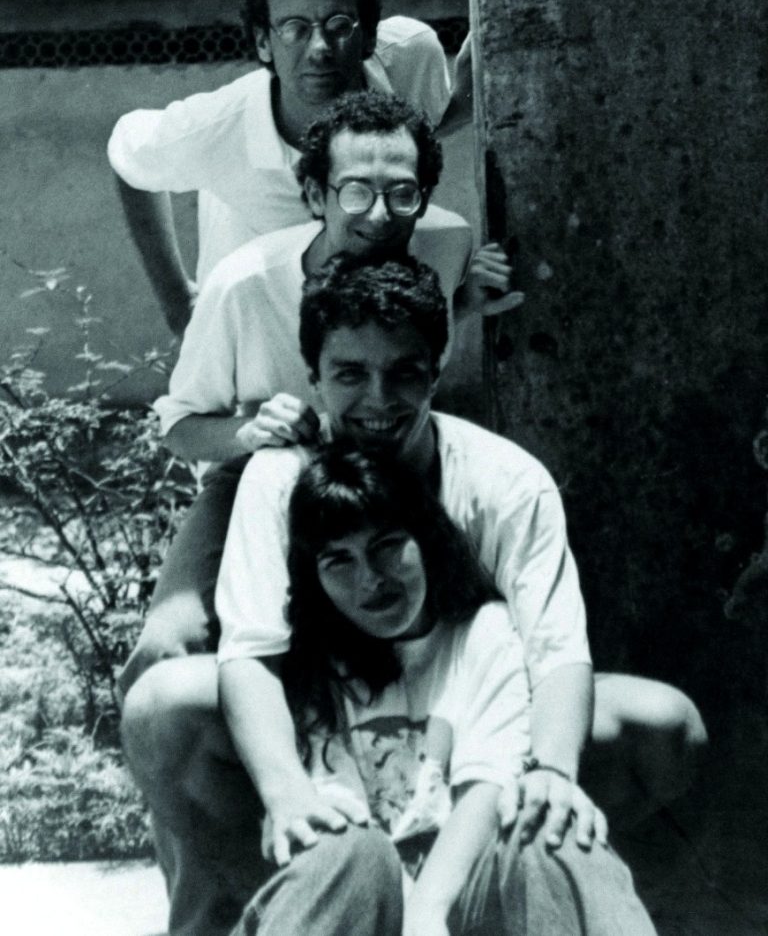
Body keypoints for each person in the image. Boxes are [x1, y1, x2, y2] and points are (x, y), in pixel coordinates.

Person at [121, 257, 705, 936]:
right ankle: (275, 908)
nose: (378, 399)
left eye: (403, 372)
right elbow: (250, 653)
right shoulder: (280, 477)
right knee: (165, 705)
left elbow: (555, 653)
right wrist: (287, 794)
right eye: (350, 374)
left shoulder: (506, 483)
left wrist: (552, 771)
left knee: (649, 737)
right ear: (312, 377)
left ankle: (546, 906)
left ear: (437, 367)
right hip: (334, 740)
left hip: (472, 724)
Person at [117, 91, 519, 699]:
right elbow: (177, 427)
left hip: (390, 462)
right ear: (313, 196)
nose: (379, 215)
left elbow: (407, 344)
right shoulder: (245, 283)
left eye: (402, 193)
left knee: (476, 625)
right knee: (168, 649)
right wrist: (248, 433)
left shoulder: (446, 246)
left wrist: (464, 303)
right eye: (355, 192)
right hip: (259, 472)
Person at [223, 443, 657, 936]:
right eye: (338, 561)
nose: (370, 579)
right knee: (350, 854)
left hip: (466, 891)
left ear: (425, 539)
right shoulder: (307, 663)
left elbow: (488, 789)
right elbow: (338, 819)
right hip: (361, 903)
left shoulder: (486, 633)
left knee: (549, 827)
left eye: (387, 545)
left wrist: (425, 915)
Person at [107, 0, 472, 336]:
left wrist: (464, 106)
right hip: (248, 344)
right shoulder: (219, 125)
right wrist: (178, 304)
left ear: (369, 34)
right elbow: (128, 154)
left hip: (368, 342)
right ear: (264, 43)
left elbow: (419, 132)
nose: (319, 49)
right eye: (294, 29)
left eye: (338, 25)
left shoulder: (409, 60)